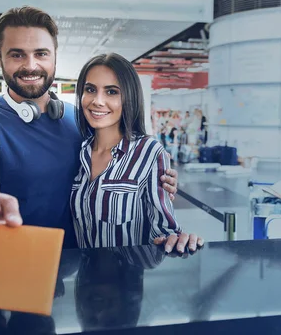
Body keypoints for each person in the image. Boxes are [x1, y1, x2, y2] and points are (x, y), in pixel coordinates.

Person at [0, 6, 179, 261]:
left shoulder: (80, 120)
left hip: (72, 267)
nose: (31, 65)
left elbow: (118, 165)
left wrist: (155, 180)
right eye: (17, 54)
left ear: (54, 56)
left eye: (41, 53)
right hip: (8, 264)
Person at [71, 53, 203, 253]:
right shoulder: (79, 152)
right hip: (83, 280)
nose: (98, 101)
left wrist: (178, 240)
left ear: (129, 97)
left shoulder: (149, 152)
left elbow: (164, 230)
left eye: (112, 92)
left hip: (126, 280)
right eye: (90, 89)